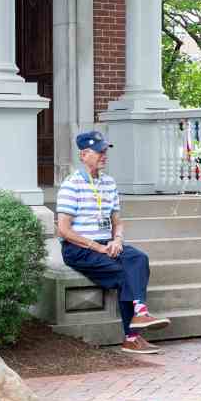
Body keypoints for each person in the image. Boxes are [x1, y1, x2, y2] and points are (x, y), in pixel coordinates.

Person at [56, 130, 168, 354]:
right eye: (99, 151)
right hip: (79, 248)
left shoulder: (109, 183)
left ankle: (139, 313)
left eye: (105, 150)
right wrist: (98, 247)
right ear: (84, 154)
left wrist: (117, 239)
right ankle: (132, 336)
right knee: (125, 275)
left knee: (138, 258)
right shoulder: (71, 184)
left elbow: (118, 222)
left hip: (107, 243)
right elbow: (63, 230)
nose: (104, 155)